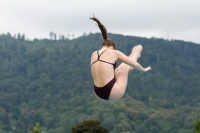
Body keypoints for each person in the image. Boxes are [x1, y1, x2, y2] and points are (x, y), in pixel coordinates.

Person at [90, 16, 151, 102]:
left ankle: (131, 54)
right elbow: (134, 64)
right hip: (112, 91)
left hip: (98, 93)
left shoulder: (94, 54)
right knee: (124, 69)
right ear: (112, 47)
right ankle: (136, 53)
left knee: (117, 70)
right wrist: (143, 69)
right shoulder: (114, 52)